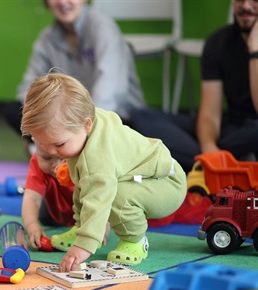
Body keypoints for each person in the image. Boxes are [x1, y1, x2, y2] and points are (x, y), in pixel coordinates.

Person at [20, 73, 187, 272]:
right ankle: (82, 228)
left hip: (165, 183)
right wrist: (85, 229)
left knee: (115, 195)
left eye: (59, 144)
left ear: (86, 125)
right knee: (84, 183)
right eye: (43, 145)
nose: (51, 152)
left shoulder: (97, 157)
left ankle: (135, 240)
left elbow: (99, 199)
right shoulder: (82, 123)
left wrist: (84, 245)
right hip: (145, 175)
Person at [130, 0, 258, 173]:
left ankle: (204, 163)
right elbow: (210, 114)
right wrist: (209, 149)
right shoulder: (218, 43)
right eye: (240, 0)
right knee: (142, 118)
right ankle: (215, 163)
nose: (246, 6)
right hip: (230, 129)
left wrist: (254, 51)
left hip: (252, 131)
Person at [4, 0, 145, 155]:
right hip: (66, 118)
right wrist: (49, 111)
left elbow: (109, 93)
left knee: (140, 125)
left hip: (115, 116)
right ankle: (52, 148)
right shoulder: (46, 39)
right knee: (14, 110)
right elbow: (28, 87)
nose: (63, 2)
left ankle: (54, 149)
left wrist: (79, 124)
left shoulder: (102, 27)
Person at [22, 143, 75, 250]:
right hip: (53, 213)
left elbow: (100, 194)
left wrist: (98, 225)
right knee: (44, 217)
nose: (56, 166)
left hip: (84, 211)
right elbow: (31, 198)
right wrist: (31, 225)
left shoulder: (84, 161)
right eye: (47, 158)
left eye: (63, 158)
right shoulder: (37, 162)